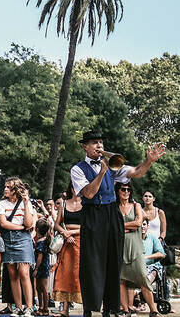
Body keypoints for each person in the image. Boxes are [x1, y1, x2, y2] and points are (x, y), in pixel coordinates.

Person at [70, 130, 165, 317]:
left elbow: (136, 172)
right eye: (95, 142)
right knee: (92, 261)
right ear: (85, 146)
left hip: (111, 212)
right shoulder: (78, 169)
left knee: (114, 260)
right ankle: (89, 308)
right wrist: (102, 172)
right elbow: (88, 193)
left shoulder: (112, 164)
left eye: (101, 143)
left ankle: (111, 307)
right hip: (92, 213)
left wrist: (149, 161)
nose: (100, 146)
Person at [116, 182, 160, 317]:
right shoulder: (114, 207)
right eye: (123, 189)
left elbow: (138, 223)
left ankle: (153, 310)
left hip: (135, 247)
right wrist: (128, 226)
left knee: (142, 277)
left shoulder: (136, 206)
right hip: (120, 247)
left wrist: (120, 226)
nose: (126, 192)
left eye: (129, 189)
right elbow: (111, 226)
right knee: (121, 280)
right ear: (117, 191)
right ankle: (125, 310)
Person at [0, 177, 35, 317]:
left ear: (15, 190)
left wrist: (25, 203)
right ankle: (18, 307)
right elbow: (3, 223)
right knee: (12, 274)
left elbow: (29, 223)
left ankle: (29, 307)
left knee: (24, 272)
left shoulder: (26, 203)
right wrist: (21, 227)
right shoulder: (1, 204)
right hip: (8, 238)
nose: (6, 189)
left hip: (23, 240)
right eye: (5, 186)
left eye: (9, 187)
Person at [53, 182, 82, 317]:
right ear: (71, 189)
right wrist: (65, 233)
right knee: (65, 273)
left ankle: (86, 308)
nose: (76, 189)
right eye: (74, 186)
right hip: (66, 241)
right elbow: (56, 225)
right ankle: (64, 309)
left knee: (80, 273)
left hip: (81, 241)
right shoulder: (64, 204)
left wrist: (72, 232)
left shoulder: (86, 204)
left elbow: (89, 225)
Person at [33, 219, 51, 316]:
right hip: (42, 267)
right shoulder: (43, 240)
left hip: (42, 267)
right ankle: (41, 307)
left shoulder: (41, 242)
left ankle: (45, 308)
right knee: (39, 288)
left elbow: (40, 256)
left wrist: (36, 268)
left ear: (37, 229)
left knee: (43, 288)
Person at [141, 219, 165, 285]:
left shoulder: (152, 237)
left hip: (149, 266)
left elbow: (161, 254)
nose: (142, 226)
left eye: (144, 224)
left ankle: (139, 291)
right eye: (140, 224)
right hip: (136, 266)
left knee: (155, 270)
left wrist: (146, 257)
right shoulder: (133, 238)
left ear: (148, 226)